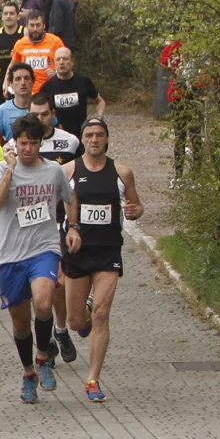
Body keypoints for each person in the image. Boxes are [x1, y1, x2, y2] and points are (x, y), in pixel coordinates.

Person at [0, 116, 73, 405]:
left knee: (44, 302)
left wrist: (73, 229)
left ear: (40, 143)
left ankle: (44, 357)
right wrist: (10, 169)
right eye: (22, 143)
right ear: (14, 142)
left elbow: (70, 199)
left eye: (33, 143)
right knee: (21, 322)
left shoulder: (54, 171)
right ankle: (28, 373)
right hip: (10, 254)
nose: (27, 149)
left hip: (44, 248)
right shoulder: (0, 169)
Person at [63, 117, 142, 401]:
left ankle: (92, 380)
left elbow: (136, 205)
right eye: (89, 135)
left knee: (101, 314)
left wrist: (135, 211)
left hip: (108, 251)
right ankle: (83, 309)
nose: (94, 140)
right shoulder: (68, 170)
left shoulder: (121, 172)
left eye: (99, 135)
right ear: (82, 139)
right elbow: (59, 205)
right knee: (75, 321)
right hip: (77, 252)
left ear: (106, 139)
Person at [37, 46, 103, 133]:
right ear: (54, 63)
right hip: (58, 134)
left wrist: (98, 119)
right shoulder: (47, 86)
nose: (61, 62)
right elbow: (38, 112)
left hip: (81, 133)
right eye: (58, 59)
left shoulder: (84, 81)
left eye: (65, 59)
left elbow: (101, 102)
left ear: (72, 61)